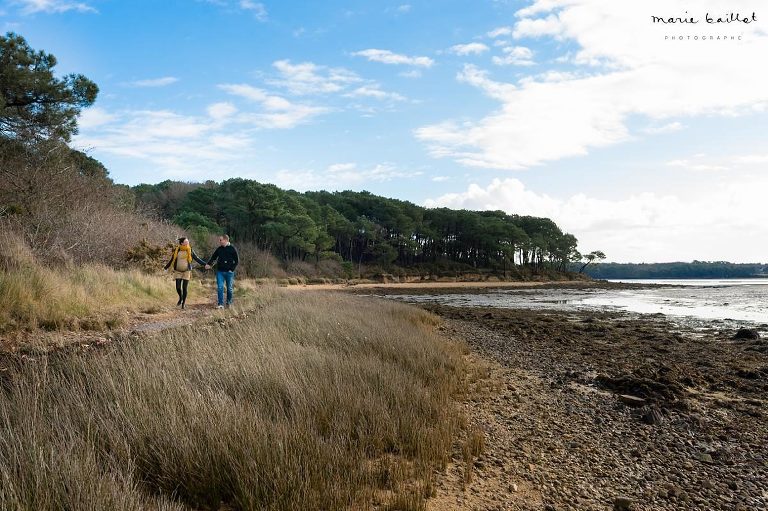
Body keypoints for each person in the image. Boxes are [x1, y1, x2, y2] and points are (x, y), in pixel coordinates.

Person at [164, 237, 207, 309]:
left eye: (188, 241)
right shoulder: (177, 250)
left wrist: (205, 264)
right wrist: (166, 267)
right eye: (186, 241)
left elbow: (197, 259)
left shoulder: (190, 250)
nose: (188, 242)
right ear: (181, 243)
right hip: (178, 271)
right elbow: (172, 260)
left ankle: (183, 303)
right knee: (178, 287)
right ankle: (180, 298)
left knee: (184, 288)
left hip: (187, 271)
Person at [205, 234, 239, 308]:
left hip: (229, 272)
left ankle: (229, 302)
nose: (219, 241)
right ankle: (220, 304)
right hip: (220, 271)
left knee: (229, 289)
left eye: (221, 240)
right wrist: (208, 264)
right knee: (220, 287)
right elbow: (213, 257)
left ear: (226, 240)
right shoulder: (219, 249)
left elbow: (236, 261)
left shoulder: (232, 249)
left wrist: (231, 269)